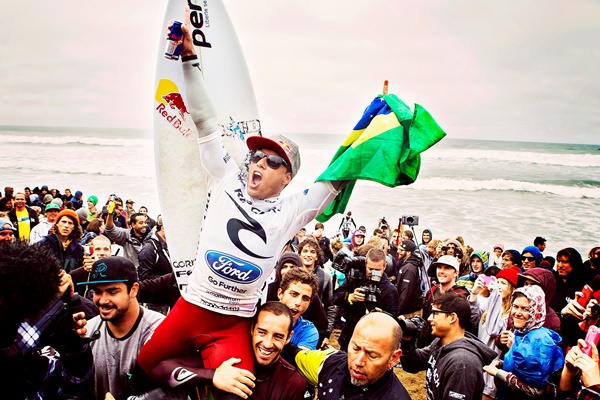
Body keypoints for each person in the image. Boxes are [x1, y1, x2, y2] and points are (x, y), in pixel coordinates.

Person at [137, 10, 349, 397]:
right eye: (256, 157)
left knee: (238, 392)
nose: (259, 164)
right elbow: (204, 120)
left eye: (273, 162)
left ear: (287, 178)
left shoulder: (292, 211)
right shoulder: (226, 178)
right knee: (146, 363)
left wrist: (369, 127)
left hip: (232, 324)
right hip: (192, 306)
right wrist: (188, 59)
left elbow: (338, 174)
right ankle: (202, 376)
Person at [81, 256, 187, 399]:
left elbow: (174, 392)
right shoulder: (87, 331)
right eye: (97, 292)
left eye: (113, 292)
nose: (103, 300)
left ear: (134, 290)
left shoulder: (159, 331)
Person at [0, 240, 94, 399]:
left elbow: (75, 388)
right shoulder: (14, 351)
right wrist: (53, 304)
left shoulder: (29, 363)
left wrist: (72, 346)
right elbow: (8, 356)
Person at [290, 312, 411, 399]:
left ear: (393, 358)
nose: (358, 361)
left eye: (372, 355)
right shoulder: (330, 362)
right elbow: (293, 354)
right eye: (355, 348)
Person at [402, 291, 496, 399]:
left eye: (435, 313)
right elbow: (412, 365)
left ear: (452, 317)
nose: (429, 318)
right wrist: (407, 340)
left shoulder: (462, 363)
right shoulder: (440, 343)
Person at [483, 285, 564, 399]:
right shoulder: (521, 332)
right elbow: (521, 368)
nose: (517, 313)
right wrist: (501, 363)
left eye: (525, 309)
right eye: (515, 307)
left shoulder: (540, 341)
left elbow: (536, 391)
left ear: (536, 311)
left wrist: (497, 373)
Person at [333, 247, 399, 351]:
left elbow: (394, 323)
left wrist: (381, 316)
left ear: (385, 266)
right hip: (351, 337)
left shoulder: (390, 290)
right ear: (365, 265)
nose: (373, 273)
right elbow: (335, 297)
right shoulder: (355, 278)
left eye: (377, 270)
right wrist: (350, 297)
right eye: (370, 269)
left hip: (375, 342)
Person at [469, 267, 518, 399]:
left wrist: (494, 294)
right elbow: (472, 320)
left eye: (503, 283)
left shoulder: (512, 314)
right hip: (479, 360)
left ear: (512, 287)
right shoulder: (490, 304)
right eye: (498, 282)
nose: (498, 286)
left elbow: (494, 330)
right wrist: (474, 295)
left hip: (494, 364)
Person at [277, 267, 320, 349]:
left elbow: (299, 360)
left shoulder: (308, 332)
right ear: (280, 293)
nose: (298, 303)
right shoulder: (261, 319)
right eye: (294, 294)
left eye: (305, 298)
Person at [396, 240, 425, 318]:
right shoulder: (409, 265)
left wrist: (398, 311)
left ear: (409, 253)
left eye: (401, 250)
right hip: (410, 309)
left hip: (411, 312)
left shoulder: (409, 268)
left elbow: (405, 294)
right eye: (398, 249)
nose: (398, 252)